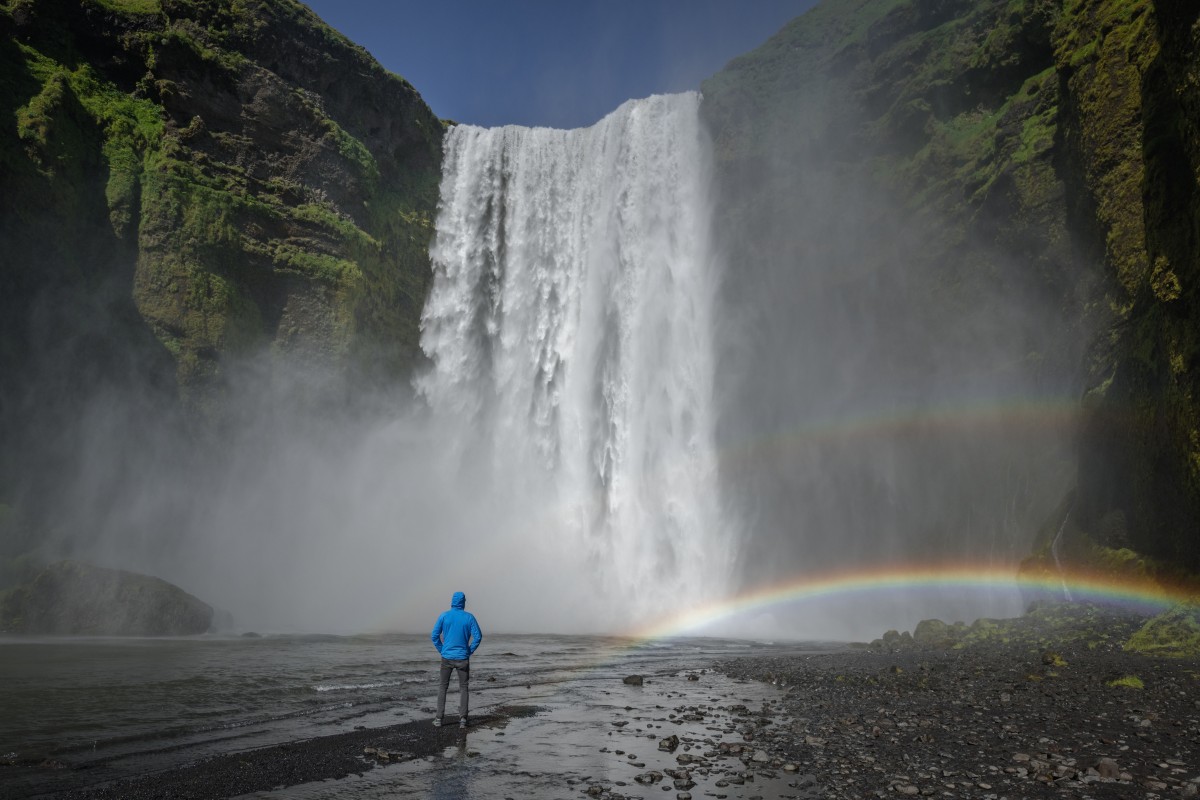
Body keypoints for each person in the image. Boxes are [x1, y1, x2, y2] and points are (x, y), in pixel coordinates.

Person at [430, 590, 482, 728]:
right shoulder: (469, 617)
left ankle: (439, 719)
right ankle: (463, 720)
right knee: (464, 688)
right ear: (463, 602)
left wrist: (442, 650)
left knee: (443, 687)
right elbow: (478, 637)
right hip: (462, 658)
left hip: (446, 658)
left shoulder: (444, 616)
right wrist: (469, 651)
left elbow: (434, 636)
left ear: (452, 601)